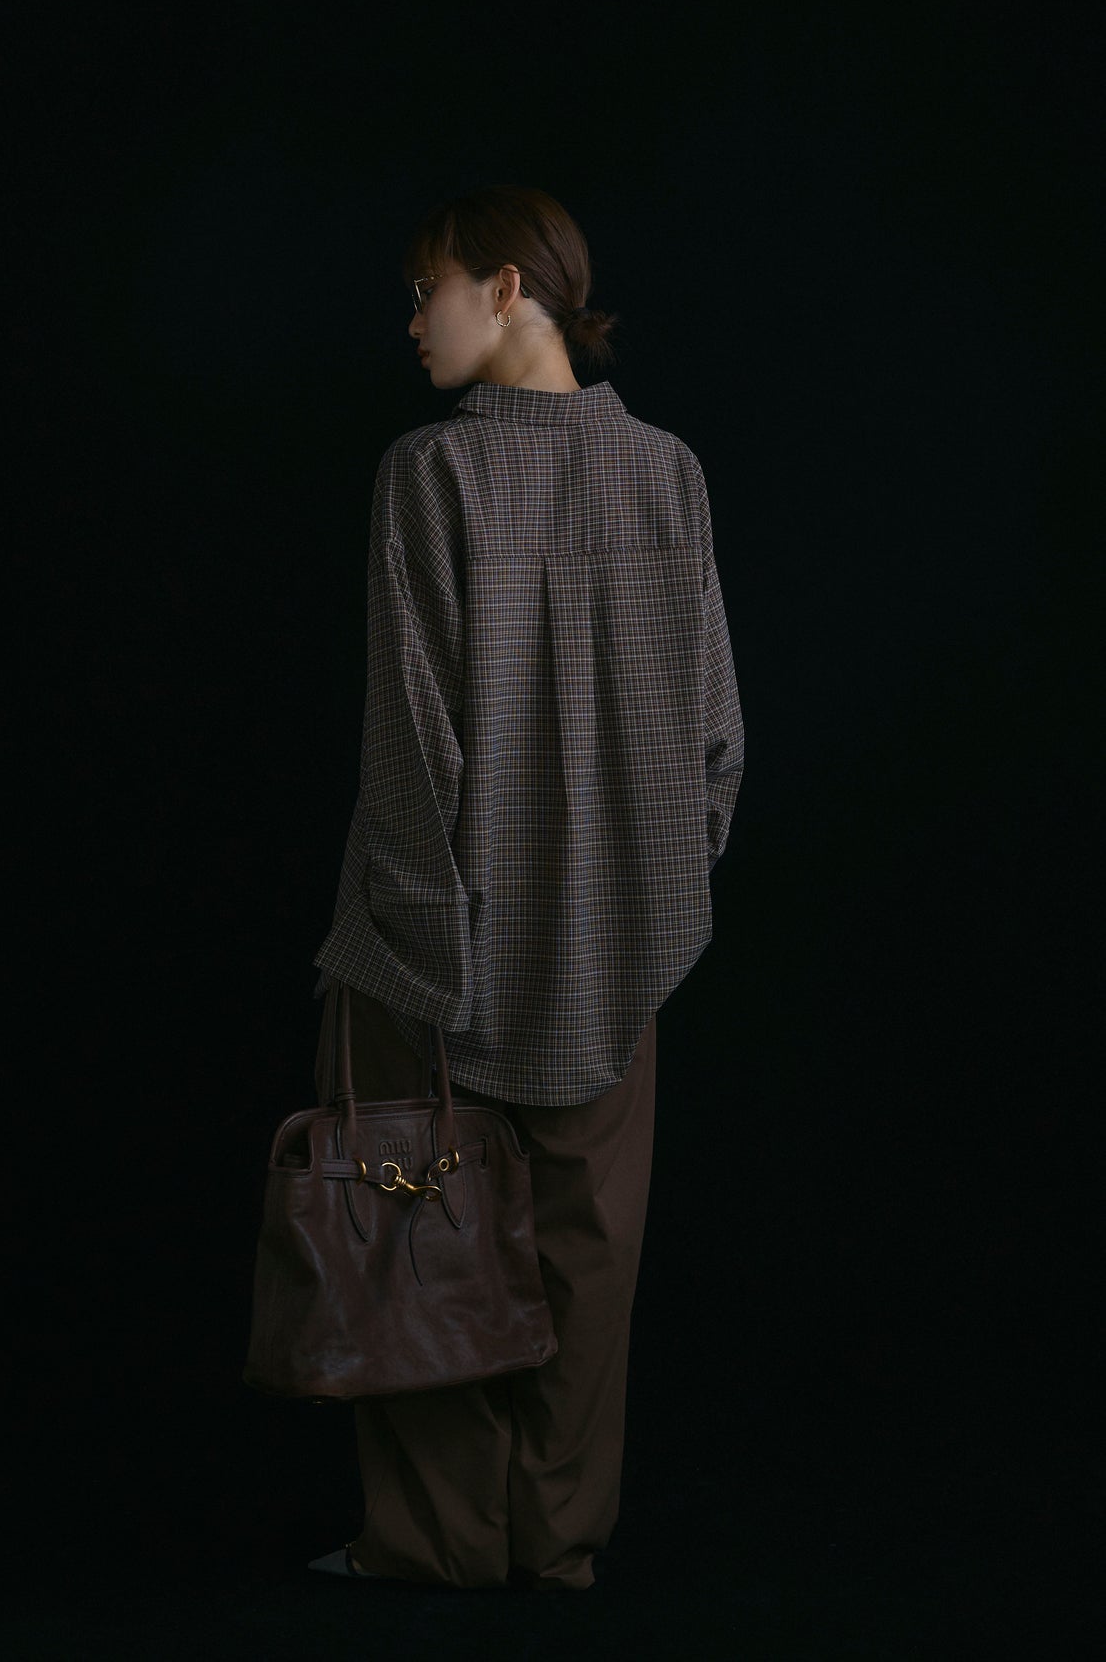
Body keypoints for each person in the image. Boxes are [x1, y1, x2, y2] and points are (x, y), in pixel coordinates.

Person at [308, 184, 744, 1591]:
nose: (410, 323)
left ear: (506, 288)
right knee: (586, 1258)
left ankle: (435, 1546)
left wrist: (399, 942)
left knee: (421, 1239)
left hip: (440, 940)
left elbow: (410, 744)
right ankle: (557, 1549)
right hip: (617, 949)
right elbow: (716, 737)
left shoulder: (430, 473)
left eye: (424, 290)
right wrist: (656, 898)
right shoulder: (669, 471)